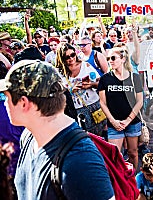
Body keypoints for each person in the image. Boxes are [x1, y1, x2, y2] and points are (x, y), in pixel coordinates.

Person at [0, 60, 114, 199]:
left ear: (24, 103)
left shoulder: (80, 162)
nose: (5, 103)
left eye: (7, 97)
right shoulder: (29, 136)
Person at [98, 46, 143, 169]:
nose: (110, 61)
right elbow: (102, 103)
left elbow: (140, 101)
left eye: (113, 58)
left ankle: (132, 179)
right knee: (115, 156)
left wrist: (128, 120)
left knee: (133, 153)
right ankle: (119, 181)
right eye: (108, 58)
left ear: (123, 59)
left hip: (132, 122)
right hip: (114, 124)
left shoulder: (135, 78)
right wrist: (113, 121)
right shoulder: (105, 79)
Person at [55, 43, 106, 136]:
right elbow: (57, 95)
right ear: (61, 58)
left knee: (101, 136)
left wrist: (91, 84)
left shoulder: (85, 66)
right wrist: (70, 91)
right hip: (75, 111)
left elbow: (101, 84)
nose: (71, 58)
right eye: (67, 57)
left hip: (93, 106)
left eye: (72, 55)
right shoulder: (59, 73)